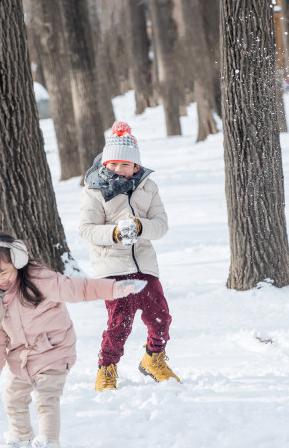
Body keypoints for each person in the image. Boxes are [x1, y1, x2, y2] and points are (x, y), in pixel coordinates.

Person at [0, 231, 145, 448]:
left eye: (3, 272)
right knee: (12, 399)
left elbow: (78, 288)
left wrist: (113, 289)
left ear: (17, 261)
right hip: (22, 357)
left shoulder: (41, 280)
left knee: (46, 398)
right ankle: (21, 436)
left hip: (54, 350)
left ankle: (48, 440)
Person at [80, 121, 180, 391]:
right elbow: (86, 230)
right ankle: (107, 368)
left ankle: (153, 358)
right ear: (105, 164)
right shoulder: (94, 190)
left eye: (125, 165)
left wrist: (140, 227)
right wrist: (114, 234)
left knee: (160, 316)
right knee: (120, 322)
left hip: (144, 265)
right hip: (112, 267)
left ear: (136, 167)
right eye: (113, 164)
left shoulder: (148, 187)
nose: (118, 170)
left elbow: (161, 224)